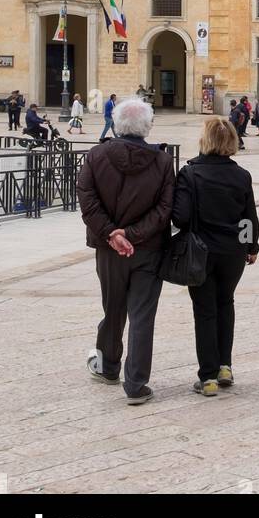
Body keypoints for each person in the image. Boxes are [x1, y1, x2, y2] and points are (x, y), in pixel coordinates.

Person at [76, 96, 175, 405]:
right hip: (148, 249)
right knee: (142, 315)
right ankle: (136, 384)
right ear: (147, 127)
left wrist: (111, 234)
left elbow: (86, 199)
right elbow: (165, 208)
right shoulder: (162, 161)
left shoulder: (95, 156)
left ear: (117, 125)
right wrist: (132, 234)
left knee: (113, 308)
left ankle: (107, 366)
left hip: (108, 250)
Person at [171, 116, 259, 396]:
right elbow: (249, 219)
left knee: (205, 311)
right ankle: (225, 366)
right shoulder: (241, 175)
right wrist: (251, 247)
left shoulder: (190, 173)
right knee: (226, 304)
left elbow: (181, 217)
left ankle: (207, 377)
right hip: (233, 253)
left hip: (201, 253)